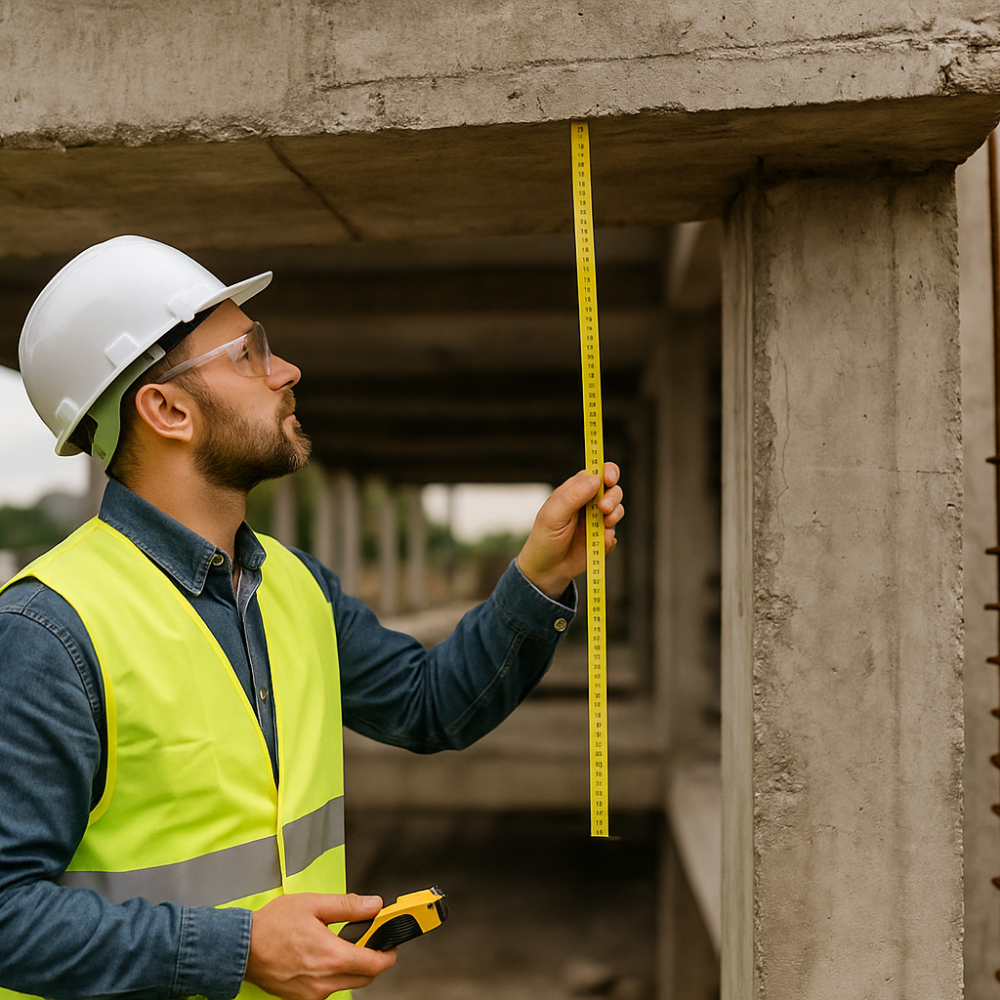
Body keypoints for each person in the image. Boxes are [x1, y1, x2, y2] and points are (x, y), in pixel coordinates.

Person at [0, 236, 624, 1000]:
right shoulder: (49, 628)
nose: (288, 370)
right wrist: (235, 948)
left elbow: (430, 707)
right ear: (166, 409)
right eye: (249, 353)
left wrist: (538, 575)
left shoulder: (292, 585)